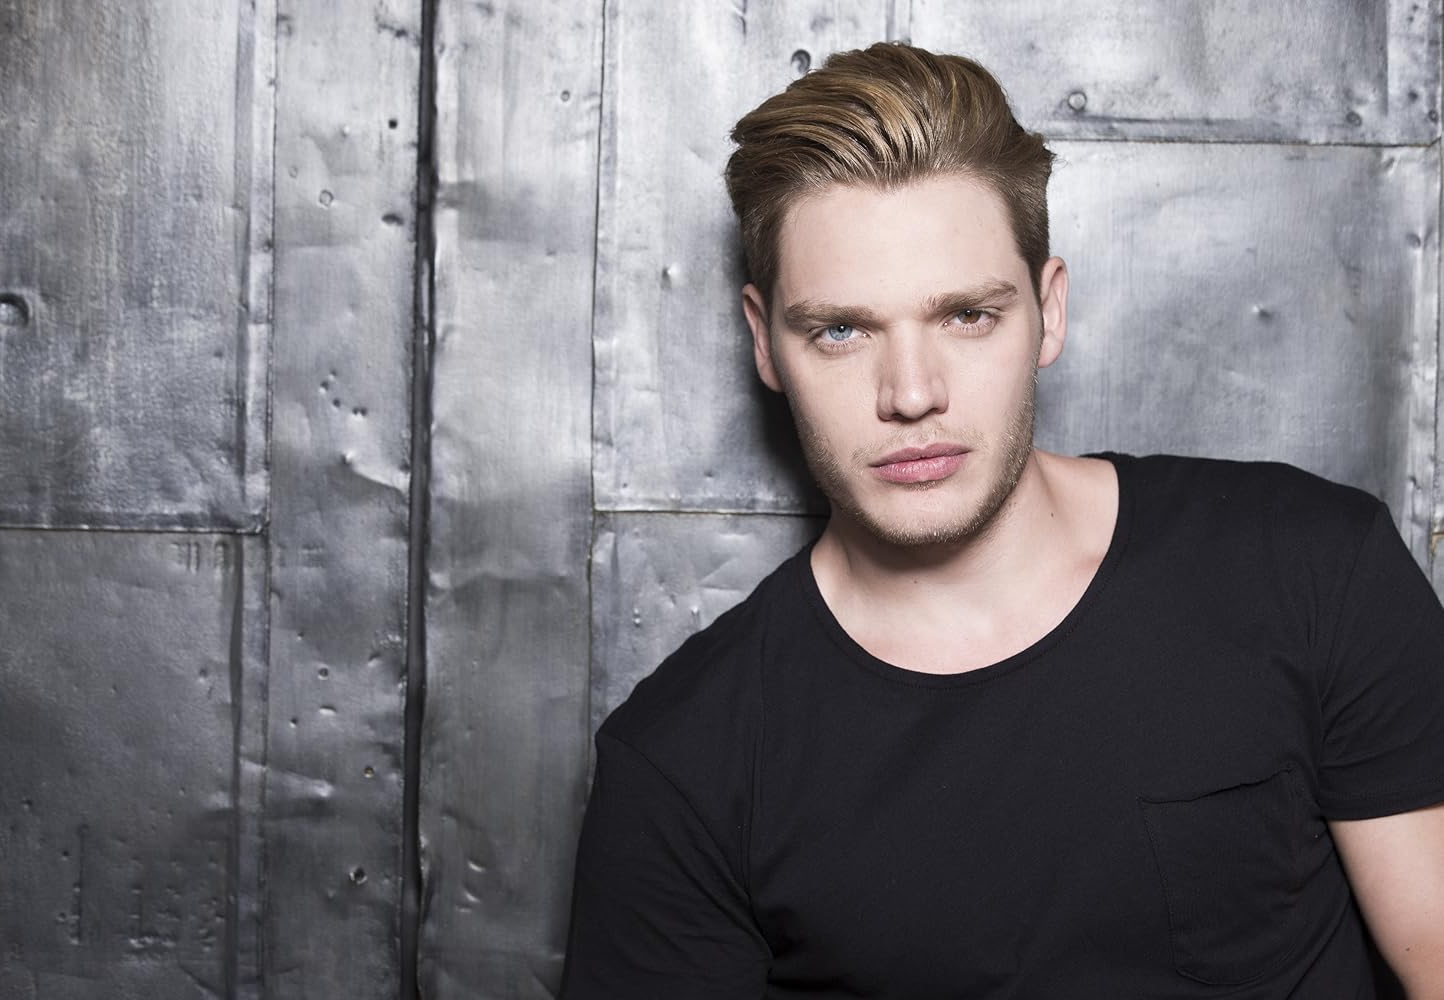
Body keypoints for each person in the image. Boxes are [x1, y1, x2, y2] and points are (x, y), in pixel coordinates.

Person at [558, 42, 1444, 998]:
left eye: (967, 317)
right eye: (841, 330)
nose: (910, 393)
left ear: (1048, 312)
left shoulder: (1310, 569)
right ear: (765, 343)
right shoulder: (684, 760)